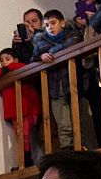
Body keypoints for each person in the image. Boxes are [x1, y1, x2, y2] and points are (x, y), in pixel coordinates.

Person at [31, 10, 86, 150]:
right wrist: (41, 56)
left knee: (78, 121)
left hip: (73, 84)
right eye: (47, 25)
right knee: (63, 124)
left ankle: (80, 148)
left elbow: (73, 43)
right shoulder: (41, 43)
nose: (50, 27)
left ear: (62, 23)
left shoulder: (72, 34)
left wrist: (52, 52)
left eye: (53, 23)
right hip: (55, 89)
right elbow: (32, 60)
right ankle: (67, 151)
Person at [0, 48, 41, 167]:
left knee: (25, 135)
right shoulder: (4, 74)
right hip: (14, 111)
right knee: (20, 137)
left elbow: (23, 67)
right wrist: (4, 69)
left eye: (7, 59)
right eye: (2, 60)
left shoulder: (20, 69)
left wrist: (8, 68)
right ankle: (23, 162)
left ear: (15, 60)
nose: (4, 62)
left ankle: (27, 161)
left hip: (28, 109)